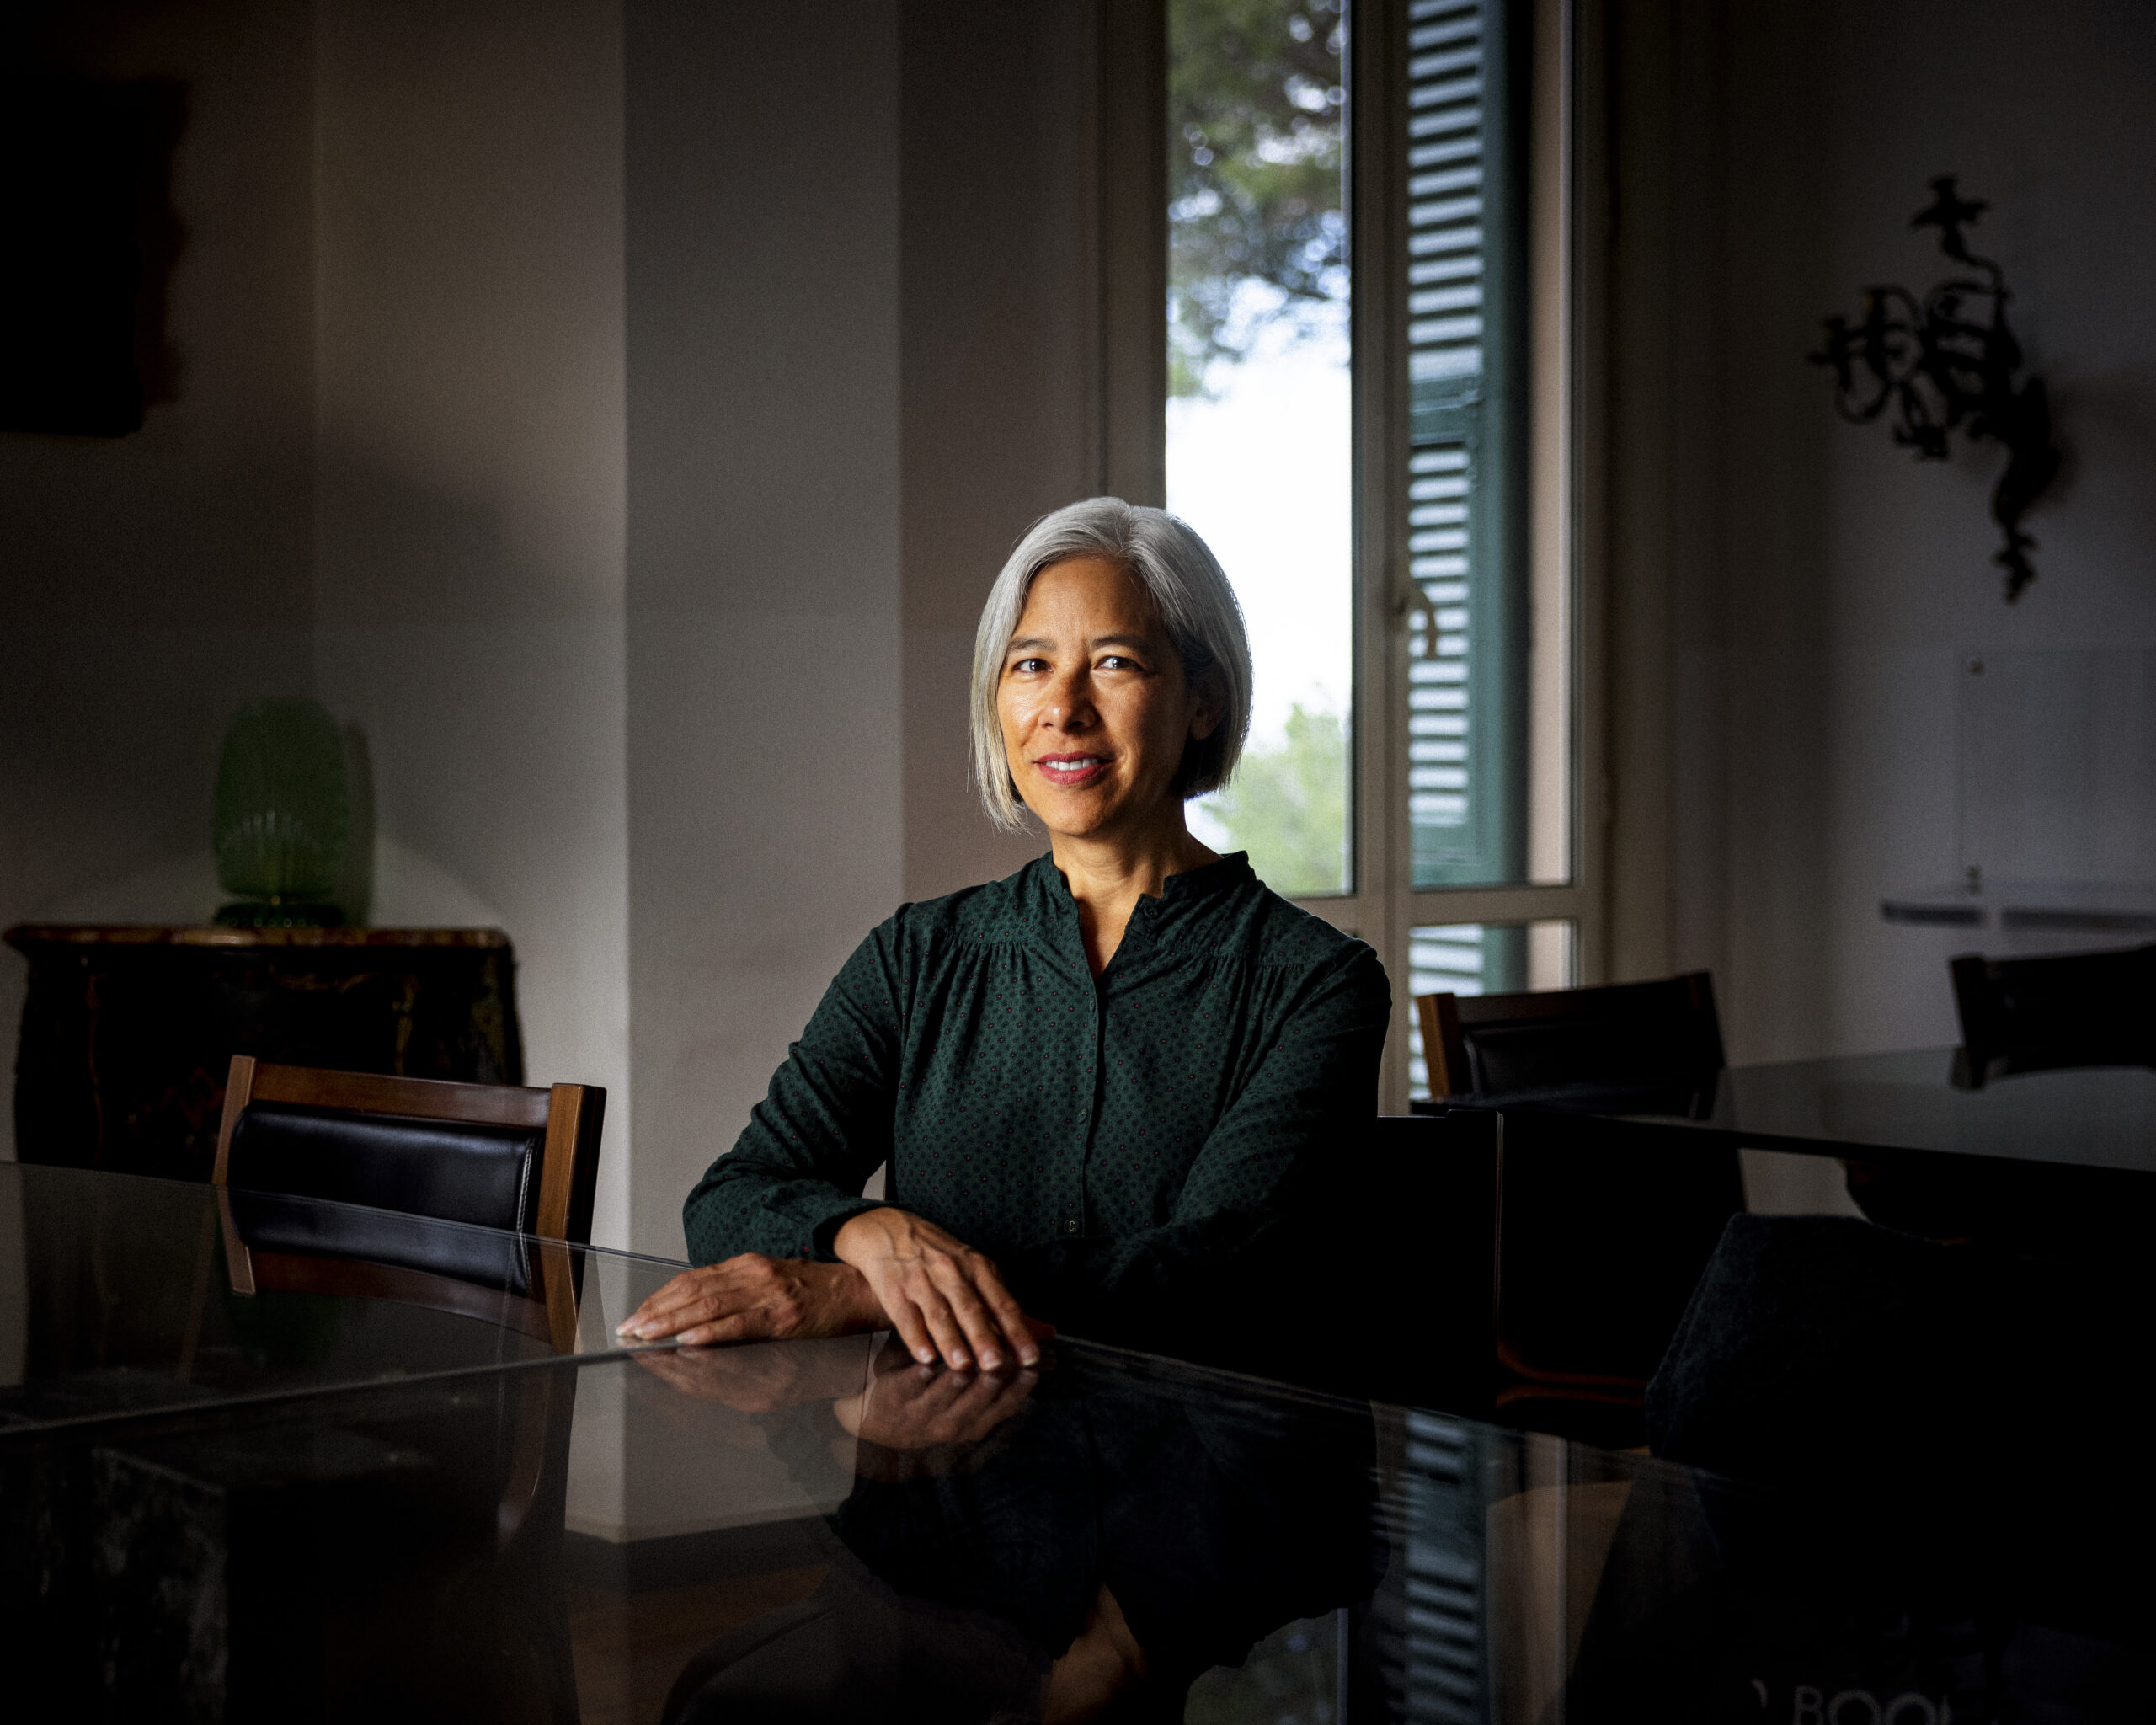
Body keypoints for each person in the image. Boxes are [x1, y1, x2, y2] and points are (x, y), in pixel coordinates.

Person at [620, 497, 1390, 1372]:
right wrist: (865, 1230)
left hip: (1199, 1477)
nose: (1062, 707)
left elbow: (1210, 1270)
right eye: (1030, 664)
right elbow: (730, 1200)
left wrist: (876, 1292)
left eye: (1114, 662)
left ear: (1203, 699)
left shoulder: (1315, 982)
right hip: (944, 1472)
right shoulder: (917, 956)